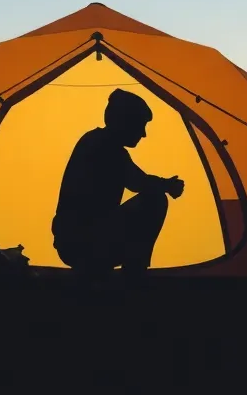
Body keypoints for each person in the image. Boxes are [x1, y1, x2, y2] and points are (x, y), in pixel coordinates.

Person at [52, 88, 184, 278]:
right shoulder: (104, 146)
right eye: (140, 125)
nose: (144, 134)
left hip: (75, 242)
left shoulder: (96, 141)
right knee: (155, 200)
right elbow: (139, 182)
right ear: (125, 122)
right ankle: (134, 274)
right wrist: (167, 185)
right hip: (84, 244)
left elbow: (137, 179)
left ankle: (119, 269)